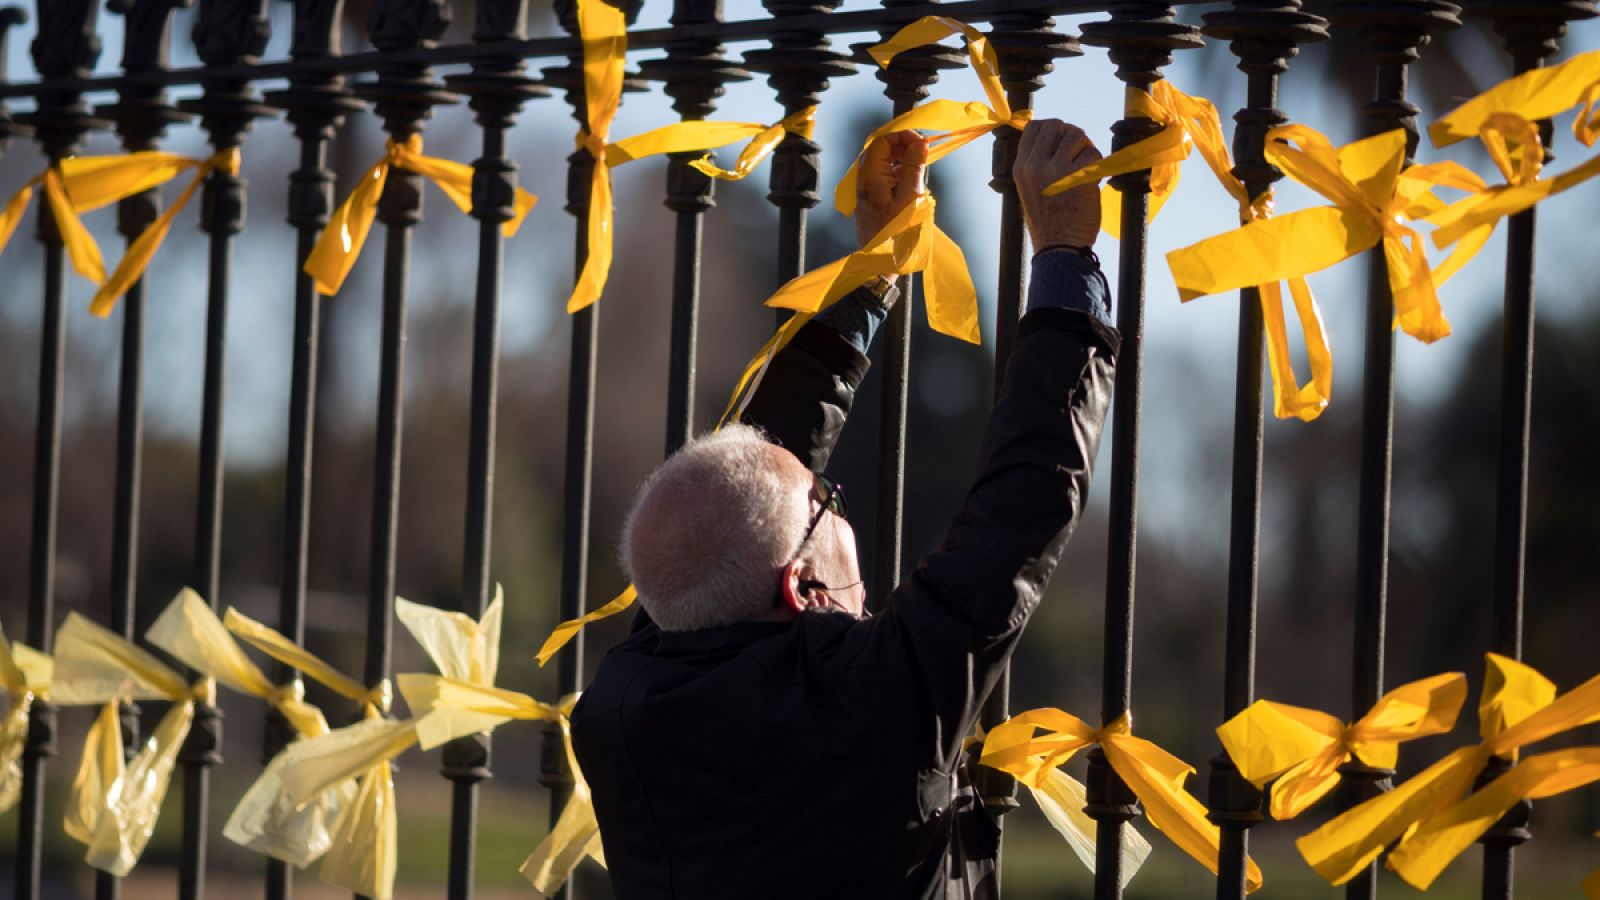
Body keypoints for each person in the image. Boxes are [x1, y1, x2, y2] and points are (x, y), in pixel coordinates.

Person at [570, 119, 1117, 900]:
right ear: (800, 588)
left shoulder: (623, 704)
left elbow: (750, 492)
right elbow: (1022, 506)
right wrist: (1066, 256)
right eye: (830, 506)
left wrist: (873, 274)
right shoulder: (870, 701)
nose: (833, 503)